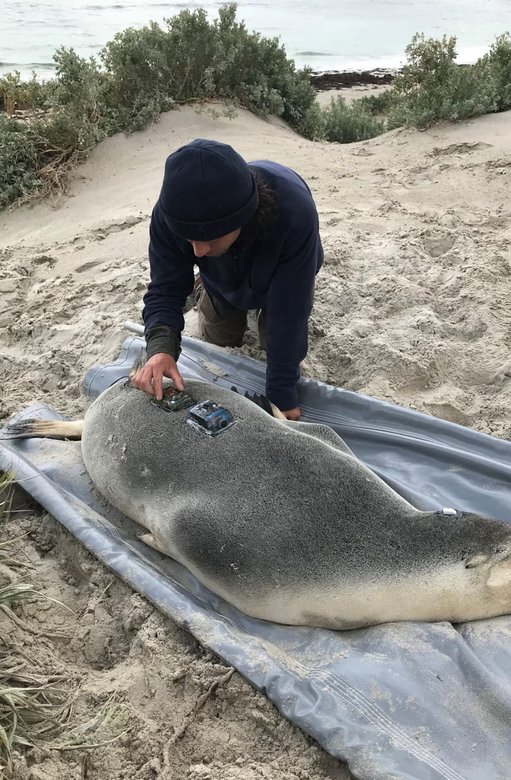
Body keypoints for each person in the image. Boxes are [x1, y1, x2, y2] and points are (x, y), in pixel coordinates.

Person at [132, 138, 323, 420]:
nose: (197, 251)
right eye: (189, 239)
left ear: (242, 217)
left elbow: (290, 310)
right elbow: (165, 288)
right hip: (221, 274)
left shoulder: (294, 213)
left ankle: (252, 302)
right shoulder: (172, 213)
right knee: (221, 334)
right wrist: (160, 350)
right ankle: (210, 288)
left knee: (277, 329)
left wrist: (282, 393)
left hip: (284, 265)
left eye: (208, 237)